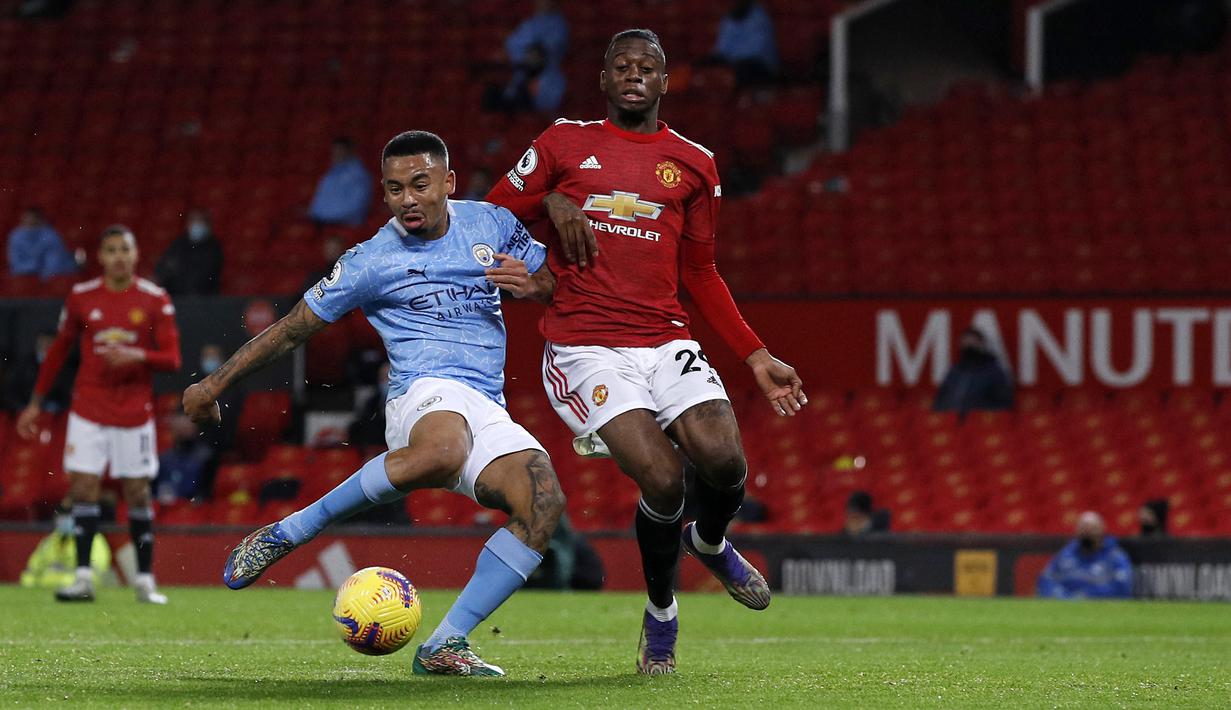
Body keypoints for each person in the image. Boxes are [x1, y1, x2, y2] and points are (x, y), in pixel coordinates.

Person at [183, 130, 565, 677]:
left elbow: (553, 283)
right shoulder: (370, 260)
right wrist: (214, 385)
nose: (407, 199)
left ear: (449, 183)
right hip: (422, 392)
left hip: (486, 401)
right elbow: (292, 328)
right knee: (444, 449)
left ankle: (445, 645)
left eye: (420, 184)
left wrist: (534, 286)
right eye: (394, 189)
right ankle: (293, 529)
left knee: (543, 500)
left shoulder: (492, 223)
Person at [486, 29, 805, 675]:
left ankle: (708, 542)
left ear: (664, 81)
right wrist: (550, 200)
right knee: (662, 478)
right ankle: (661, 614)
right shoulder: (561, 143)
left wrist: (755, 355)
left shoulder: (693, 162)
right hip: (584, 346)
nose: (634, 76)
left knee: (724, 460)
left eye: (647, 68)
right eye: (622, 66)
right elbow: (490, 215)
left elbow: (702, 272)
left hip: (665, 339)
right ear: (604, 78)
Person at [17, 225, 182, 604]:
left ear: (136, 254)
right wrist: (36, 402)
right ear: (101, 257)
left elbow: (173, 359)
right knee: (83, 488)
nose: (119, 256)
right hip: (88, 408)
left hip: (134, 411)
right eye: (111, 250)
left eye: (125, 249)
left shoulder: (154, 299)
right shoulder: (81, 297)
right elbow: (58, 351)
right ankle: (82, 578)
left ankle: (145, 581)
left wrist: (137, 355)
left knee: (137, 491)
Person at [1037, 511, 1133, 599]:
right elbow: (1046, 579)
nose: (1087, 533)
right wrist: (1063, 596)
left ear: (1101, 530)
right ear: (1077, 531)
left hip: (1100, 607)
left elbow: (1122, 587)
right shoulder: (1065, 554)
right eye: (1083, 529)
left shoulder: (1115, 556)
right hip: (1065, 605)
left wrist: (1088, 595)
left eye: (1092, 529)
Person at [20, 502, 112, 590]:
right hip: (43, 591)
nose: (64, 520)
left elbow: (95, 574)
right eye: (61, 516)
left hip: (74, 588)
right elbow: (32, 570)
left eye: (68, 516)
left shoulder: (92, 539)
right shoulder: (50, 540)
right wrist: (28, 587)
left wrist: (64, 584)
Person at [932, 327, 1014, 417]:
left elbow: (1005, 404)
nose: (969, 345)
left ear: (981, 344)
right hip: (951, 420)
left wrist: (977, 411)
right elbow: (940, 399)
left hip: (980, 421)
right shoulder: (955, 371)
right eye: (966, 342)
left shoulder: (994, 371)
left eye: (973, 342)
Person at [706, 0, 779, 86]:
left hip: (761, 66)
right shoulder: (729, 18)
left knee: (741, 70)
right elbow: (722, 49)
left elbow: (756, 52)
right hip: (735, 63)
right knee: (706, 66)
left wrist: (729, 61)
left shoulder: (759, 17)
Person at [154, 209, 223, 295]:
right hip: (175, 294)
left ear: (207, 224)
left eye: (199, 221)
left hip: (202, 296)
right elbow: (164, 266)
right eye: (193, 220)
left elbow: (205, 275)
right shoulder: (179, 243)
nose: (196, 224)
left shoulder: (213, 247)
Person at [308, 137, 374, 227]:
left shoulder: (359, 175)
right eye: (334, 150)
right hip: (322, 222)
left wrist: (324, 216)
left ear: (350, 152)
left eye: (340, 150)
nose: (336, 154)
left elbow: (356, 207)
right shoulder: (330, 173)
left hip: (343, 225)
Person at [154, 413, 214, 504]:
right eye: (179, 430)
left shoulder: (206, 457)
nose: (183, 433)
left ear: (194, 429)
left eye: (186, 429)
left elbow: (206, 491)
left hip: (193, 506)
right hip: (166, 504)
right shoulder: (164, 458)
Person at [6, 207, 78, 280]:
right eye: (27, 219)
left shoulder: (50, 236)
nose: (29, 222)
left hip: (51, 275)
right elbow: (15, 263)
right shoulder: (16, 236)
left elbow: (55, 262)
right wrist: (32, 267)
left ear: (39, 220)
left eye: (33, 220)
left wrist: (42, 274)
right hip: (26, 273)